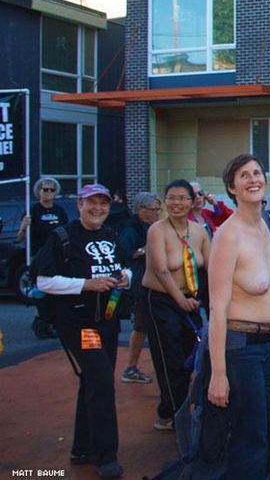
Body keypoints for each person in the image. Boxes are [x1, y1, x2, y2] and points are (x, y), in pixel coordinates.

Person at [207, 154, 270, 480]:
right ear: (232, 187)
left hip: (267, 345)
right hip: (240, 348)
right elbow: (216, 309)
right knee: (251, 436)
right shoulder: (228, 236)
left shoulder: (261, 225)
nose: (253, 179)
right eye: (244, 175)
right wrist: (218, 374)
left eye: (257, 172)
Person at [34, 183, 130, 479]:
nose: (98, 208)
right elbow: (43, 281)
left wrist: (124, 277)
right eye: (92, 203)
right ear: (79, 204)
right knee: (101, 382)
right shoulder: (62, 236)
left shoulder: (111, 235)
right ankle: (105, 457)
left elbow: (125, 266)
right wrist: (86, 284)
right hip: (81, 324)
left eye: (103, 203)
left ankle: (82, 448)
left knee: (93, 381)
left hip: (108, 320)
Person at [143, 179, 210, 431]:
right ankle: (173, 414)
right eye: (171, 197)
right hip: (162, 301)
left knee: (191, 357)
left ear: (192, 202)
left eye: (182, 198)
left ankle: (175, 408)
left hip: (191, 302)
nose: (177, 203)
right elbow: (161, 269)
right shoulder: (157, 231)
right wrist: (179, 300)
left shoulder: (200, 231)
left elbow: (212, 266)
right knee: (169, 360)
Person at [17, 177, 69, 339]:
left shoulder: (59, 211)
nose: (48, 193)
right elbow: (21, 237)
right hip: (39, 254)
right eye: (45, 189)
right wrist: (24, 226)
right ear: (38, 191)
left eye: (51, 190)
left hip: (56, 255)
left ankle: (44, 320)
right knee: (41, 288)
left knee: (56, 289)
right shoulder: (32, 210)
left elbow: (66, 232)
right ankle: (43, 322)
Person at [117, 192, 161, 384]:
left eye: (159, 209)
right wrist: (148, 248)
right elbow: (127, 253)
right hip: (140, 283)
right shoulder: (130, 228)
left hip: (154, 282)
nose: (157, 213)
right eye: (154, 210)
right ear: (141, 210)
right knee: (142, 325)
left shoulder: (152, 226)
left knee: (150, 326)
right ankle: (131, 367)